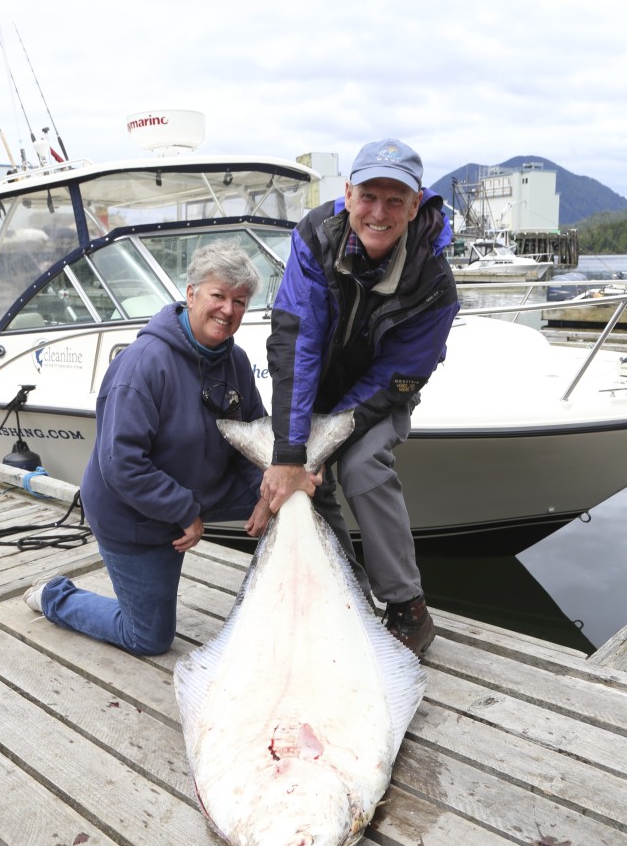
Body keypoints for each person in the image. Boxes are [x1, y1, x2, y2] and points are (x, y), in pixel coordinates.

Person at [261, 138, 459, 657]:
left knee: (363, 463)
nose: (379, 212)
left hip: (377, 394)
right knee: (303, 477)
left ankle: (408, 609)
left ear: (416, 206)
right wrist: (290, 452)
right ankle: (340, 593)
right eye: (369, 195)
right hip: (315, 382)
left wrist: (324, 443)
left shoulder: (435, 283)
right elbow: (297, 340)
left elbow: (401, 372)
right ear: (348, 194)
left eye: (396, 200)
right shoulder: (315, 238)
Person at [24, 240, 272, 655]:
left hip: (203, 489)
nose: (228, 310)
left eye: (240, 301)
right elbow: (121, 465)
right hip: (135, 512)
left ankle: (292, 611)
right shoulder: (143, 365)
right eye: (218, 296)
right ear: (191, 294)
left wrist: (267, 490)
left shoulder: (237, 361)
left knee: (291, 493)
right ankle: (54, 596)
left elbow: (255, 437)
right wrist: (184, 511)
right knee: (149, 638)